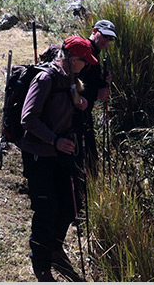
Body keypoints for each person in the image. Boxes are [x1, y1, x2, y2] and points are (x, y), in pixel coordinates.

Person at [18, 36, 97, 282]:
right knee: (46, 211)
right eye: (84, 62)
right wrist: (54, 140)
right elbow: (28, 118)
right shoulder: (45, 79)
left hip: (61, 153)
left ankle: (54, 249)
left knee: (70, 205)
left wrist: (81, 104)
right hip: (40, 155)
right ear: (74, 60)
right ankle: (41, 266)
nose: (86, 66)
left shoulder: (70, 81)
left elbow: (65, 108)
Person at [73, 20, 116, 176]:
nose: (106, 41)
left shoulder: (94, 53)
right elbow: (72, 84)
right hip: (75, 115)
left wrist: (102, 81)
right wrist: (96, 93)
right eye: (104, 36)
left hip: (85, 113)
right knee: (86, 157)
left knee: (90, 156)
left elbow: (88, 81)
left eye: (110, 39)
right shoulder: (84, 52)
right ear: (94, 30)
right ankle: (86, 190)